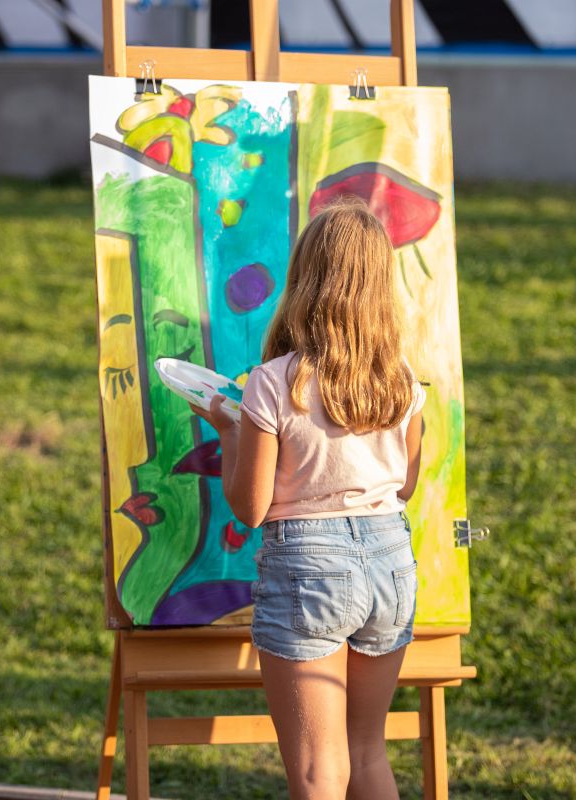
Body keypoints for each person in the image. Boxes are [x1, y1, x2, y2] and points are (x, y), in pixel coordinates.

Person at [193, 199, 424, 800]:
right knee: (367, 752)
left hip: (308, 568)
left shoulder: (274, 382)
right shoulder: (400, 379)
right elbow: (405, 485)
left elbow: (250, 509)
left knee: (321, 770)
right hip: (390, 564)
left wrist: (230, 433)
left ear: (305, 278)